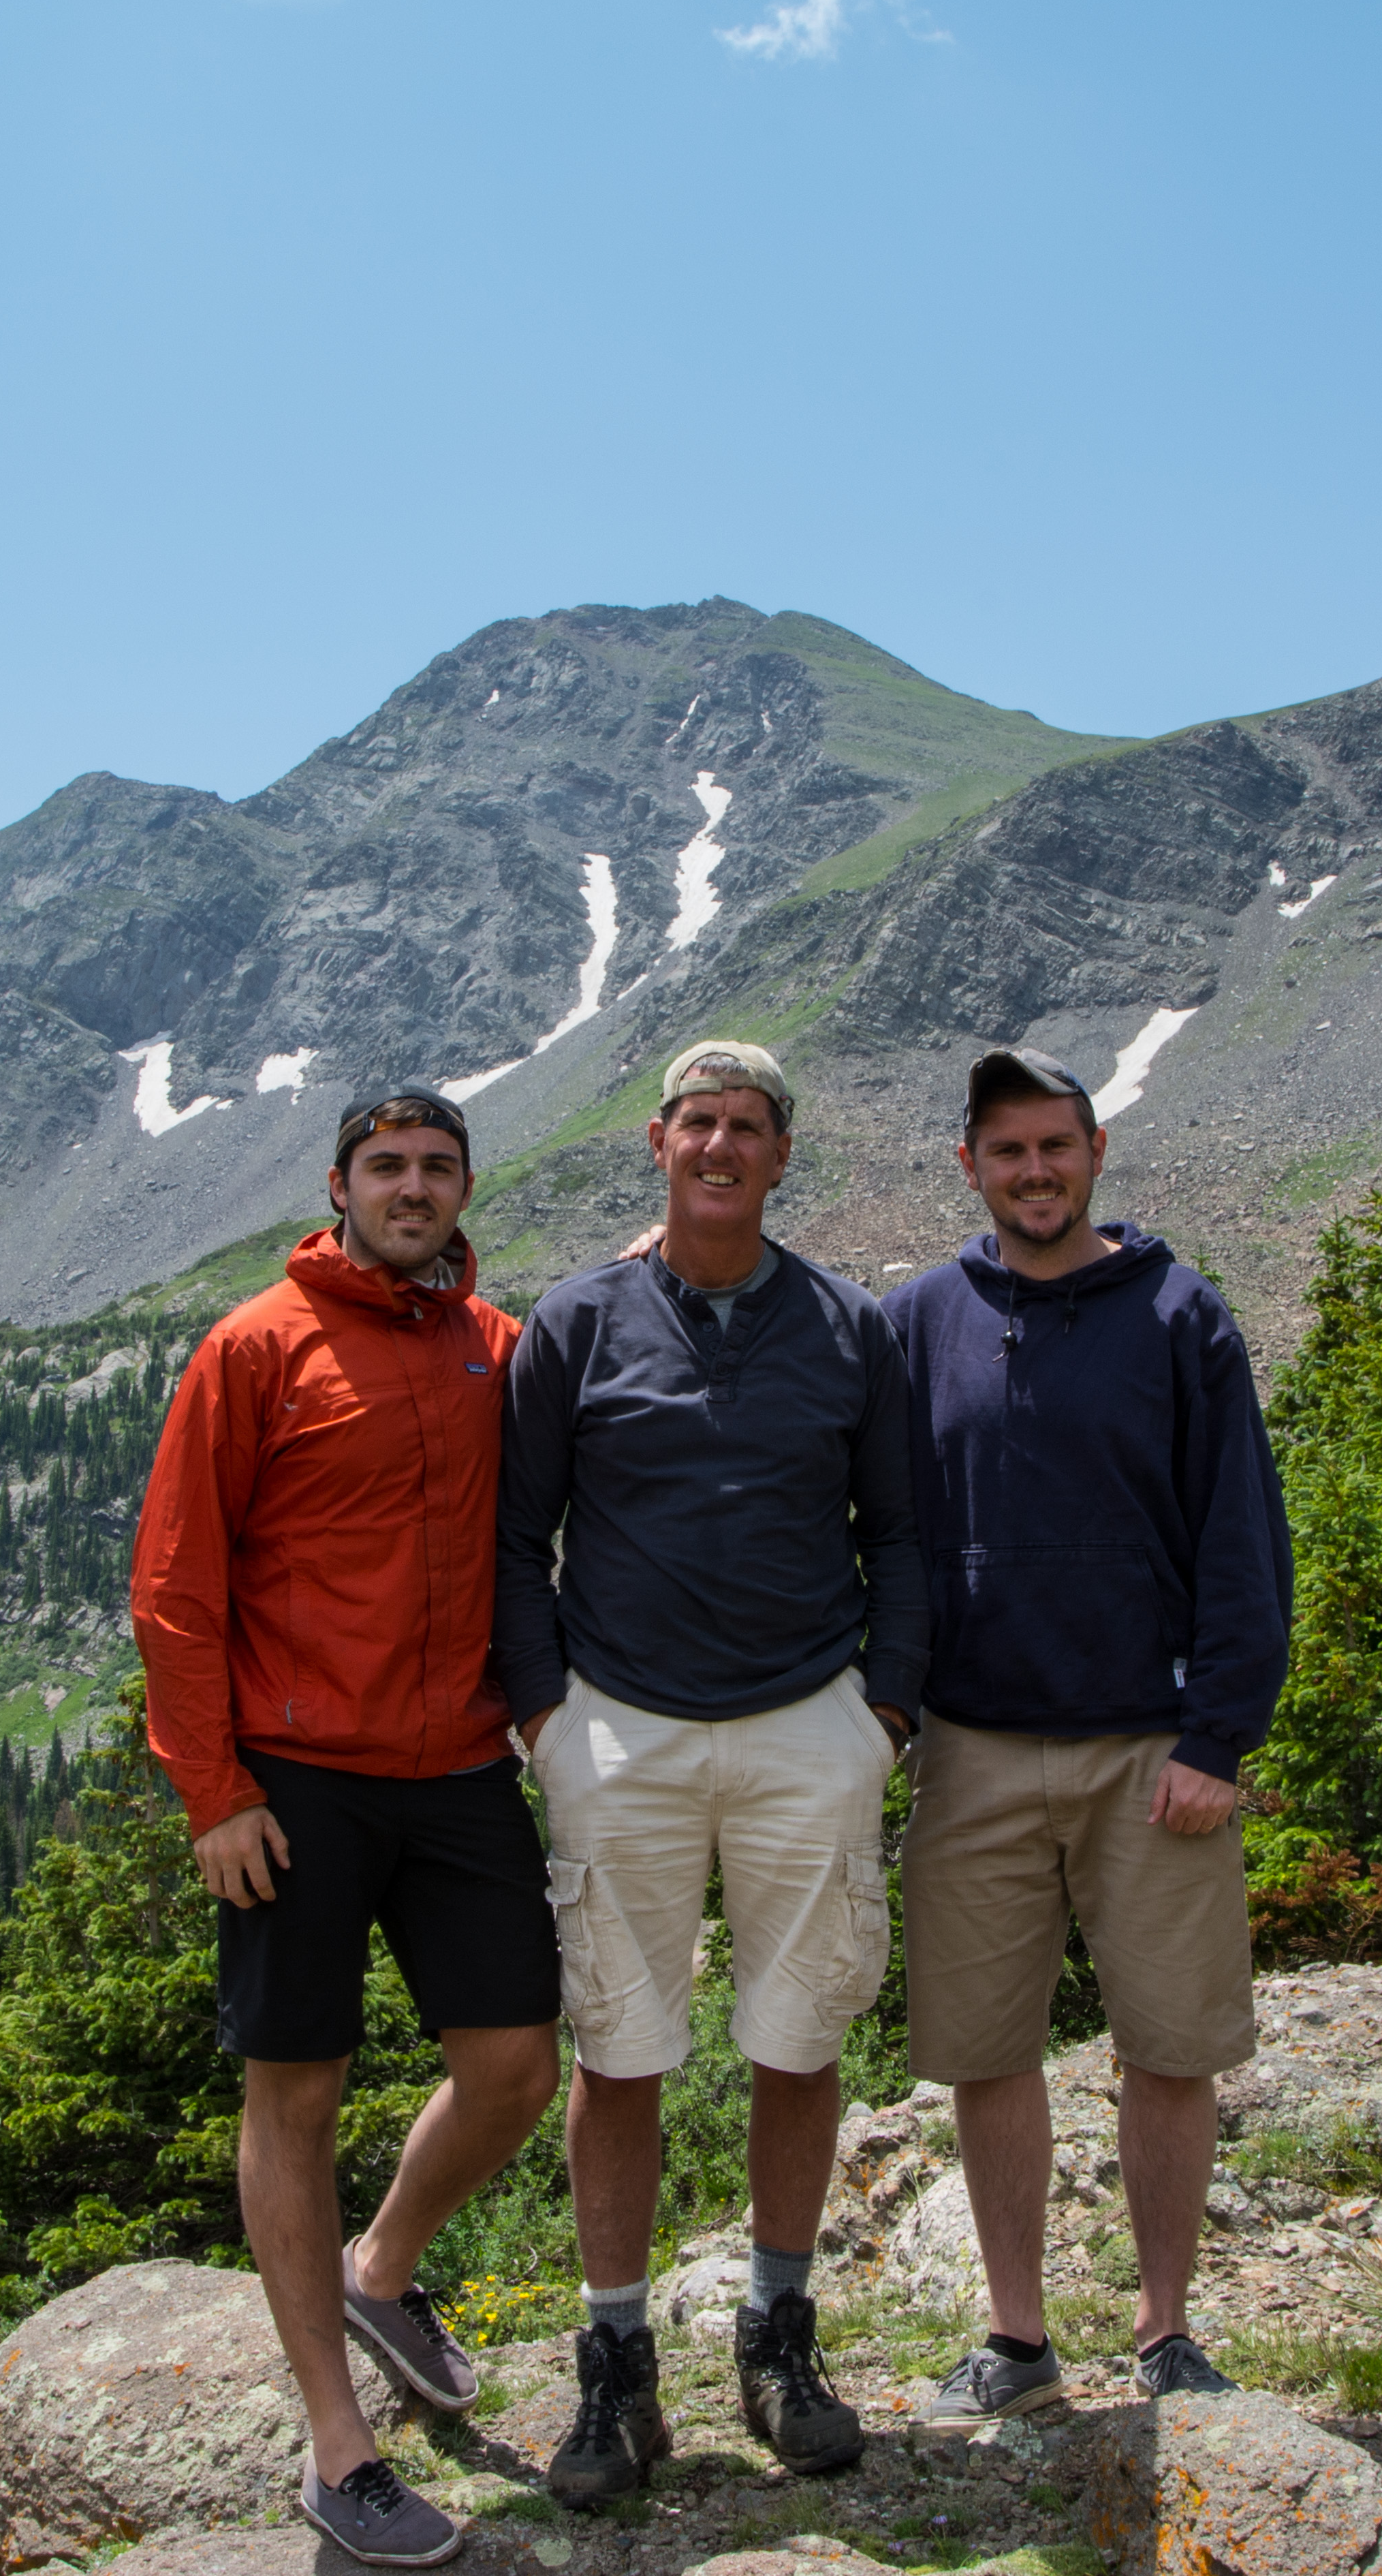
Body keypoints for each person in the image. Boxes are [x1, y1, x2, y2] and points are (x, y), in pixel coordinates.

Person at [134, 1088, 561, 2569]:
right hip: (296, 1784)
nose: (416, 1187)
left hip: (455, 1767)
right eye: (389, 1166)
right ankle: (338, 2445)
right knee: (295, 2096)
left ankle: (385, 2267)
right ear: (340, 1186)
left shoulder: (493, 1346)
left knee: (513, 2068)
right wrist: (215, 1792)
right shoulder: (256, 1343)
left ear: (461, 1192)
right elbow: (177, 1583)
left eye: (440, 1167)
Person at [492, 1038, 925, 2499]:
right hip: (622, 1725)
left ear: (781, 1154)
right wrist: (546, 1715)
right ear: (659, 1145)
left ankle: (779, 2332)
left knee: (799, 2033)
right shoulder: (581, 1319)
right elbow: (514, 1535)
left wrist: (888, 1713)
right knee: (618, 2047)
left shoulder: (850, 1327)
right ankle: (616, 2372)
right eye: (698, 1122)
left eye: (749, 1126)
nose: (722, 1145)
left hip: (811, 1717)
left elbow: (905, 1533)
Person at [879, 1045, 1293, 2425]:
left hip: (1152, 1746)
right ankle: (1018, 2334)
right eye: (1008, 1152)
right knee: (987, 2049)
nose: (1035, 1171)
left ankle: (1168, 2327)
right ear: (971, 1166)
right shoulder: (918, 1318)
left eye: (1056, 1145)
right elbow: (876, 1532)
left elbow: (1243, 1539)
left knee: (1169, 2044)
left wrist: (1218, 1736)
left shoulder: (1182, 1314)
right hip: (972, 1744)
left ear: (1097, 1150)